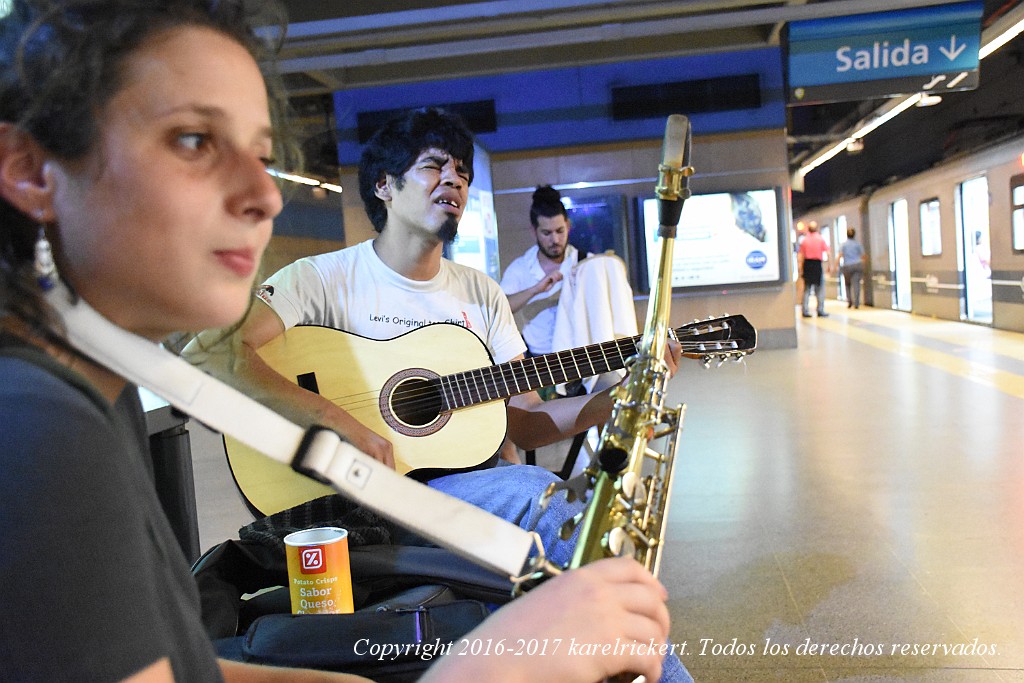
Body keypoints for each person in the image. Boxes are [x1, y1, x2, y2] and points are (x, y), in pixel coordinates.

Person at [0, 3, 679, 682]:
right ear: (31, 170)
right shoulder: (36, 426)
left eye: (263, 157)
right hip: (350, 504)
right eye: (193, 140)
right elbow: (219, 350)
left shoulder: (92, 398)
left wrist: (606, 402)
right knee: (541, 500)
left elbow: (186, 671)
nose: (265, 194)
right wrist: (496, 663)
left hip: (448, 482)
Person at [500, 185, 580, 357]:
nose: (555, 240)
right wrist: (536, 289)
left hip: (578, 356)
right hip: (539, 359)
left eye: (560, 231)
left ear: (568, 225)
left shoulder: (583, 262)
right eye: (546, 233)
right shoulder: (520, 268)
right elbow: (500, 308)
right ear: (533, 231)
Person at [798, 222, 830, 318]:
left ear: (808, 229)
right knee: (819, 289)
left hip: (807, 265)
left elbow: (800, 256)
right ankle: (820, 310)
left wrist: (800, 268)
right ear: (816, 229)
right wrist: (829, 265)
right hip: (817, 265)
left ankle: (805, 311)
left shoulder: (804, 240)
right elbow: (828, 253)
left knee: (807, 289)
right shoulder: (820, 239)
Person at [838, 227, 865, 309]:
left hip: (847, 266)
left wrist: (836, 266)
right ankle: (856, 303)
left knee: (847, 284)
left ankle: (849, 301)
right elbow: (863, 256)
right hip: (857, 265)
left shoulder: (843, 245)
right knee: (856, 284)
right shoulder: (858, 244)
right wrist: (863, 265)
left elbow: (840, 255)